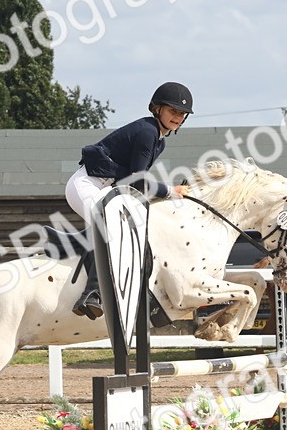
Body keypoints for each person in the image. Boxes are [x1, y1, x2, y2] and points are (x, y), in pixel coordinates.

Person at [64, 81, 194, 319]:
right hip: (85, 184)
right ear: (157, 109)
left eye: (182, 114)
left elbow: (131, 182)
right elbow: (137, 181)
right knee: (109, 224)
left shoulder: (159, 139)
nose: (178, 117)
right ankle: (91, 293)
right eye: (173, 111)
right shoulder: (148, 132)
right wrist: (170, 191)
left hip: (106, 187)